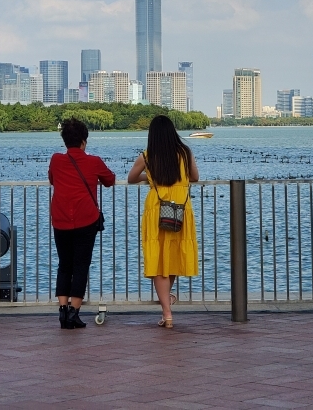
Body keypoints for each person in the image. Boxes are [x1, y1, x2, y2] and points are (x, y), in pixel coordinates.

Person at [127, 115, 199, 328]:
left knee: (158, 261)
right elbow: (194, 176)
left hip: (157, 209)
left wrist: (149, 177)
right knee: (173, 256)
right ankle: (167, 305)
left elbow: (131, 178)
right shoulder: (185, 153)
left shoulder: (147, 156)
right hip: (179, 209)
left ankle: (167, 313)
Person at [48, 117, 114, 329]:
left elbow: (52, 179)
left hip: (60, 220)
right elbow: (110, 180)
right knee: (81, 265)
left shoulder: (56, 160)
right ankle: (74, 313)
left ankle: (62, 310)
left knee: (64, 265)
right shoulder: (93, 162)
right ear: (84, 141)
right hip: (86, 219)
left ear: (65, 141)